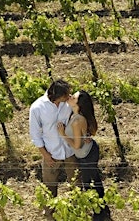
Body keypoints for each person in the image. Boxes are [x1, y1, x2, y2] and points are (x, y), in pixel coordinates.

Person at [57, 90, 111, 221]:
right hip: (86, 152)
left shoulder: (77, 120)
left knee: (88, 183)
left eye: (73, 97)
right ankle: (102, 208)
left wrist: (63, 134)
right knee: (93, 179)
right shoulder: (73, 113)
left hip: (87, 154)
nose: (70, 96)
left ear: (79, 103)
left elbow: (76, 146)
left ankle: (99, 212)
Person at [29, 79, 78, 218]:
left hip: (69, 150)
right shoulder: (37, 108)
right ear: (57, 95)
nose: (69, 96)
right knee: (50, 186)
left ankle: (77, 212)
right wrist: (46, 155)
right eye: (66, 95)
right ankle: (50, 216)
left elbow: (78, 116)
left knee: (76, 183)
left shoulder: (67, 104)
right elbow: (35, 134)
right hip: (51, 152)